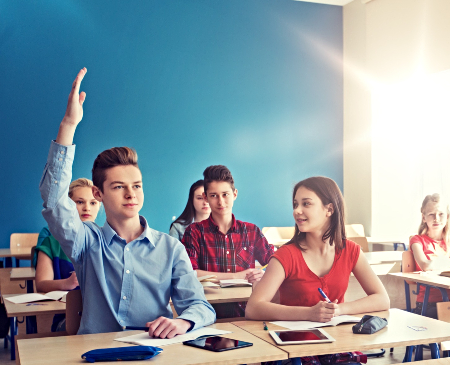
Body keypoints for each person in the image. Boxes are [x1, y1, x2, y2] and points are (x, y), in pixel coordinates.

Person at [40, 68, 215, 337]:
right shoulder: (86, 242)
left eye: (136, 186)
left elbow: (199, 306)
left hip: (154, 351)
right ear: (99, 194)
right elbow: (54, 202)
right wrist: (69, 126)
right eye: (119, 187)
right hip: (97, 353)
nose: (131, 194)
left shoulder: (170, 248)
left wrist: (183, 322)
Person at [245, 176, 389, 365]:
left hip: (336, 343)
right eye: (295, 204)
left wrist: (339, 310)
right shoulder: (286, 255)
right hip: (294, 347)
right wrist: (309, 313)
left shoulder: (351, 250)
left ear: (329, 209)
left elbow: (382, 298)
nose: (297, 211)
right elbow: (253, 308)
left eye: (306, 204)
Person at [182, 165, 274, 318]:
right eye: (214, 195)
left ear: (234, 194)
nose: (221, 201)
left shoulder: (251, 231)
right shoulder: (194, 232)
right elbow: (190, 273)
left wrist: (261, 275)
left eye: (225, 194)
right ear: (205, 197)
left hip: (246, 314)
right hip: (207, 315)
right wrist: (238, 276)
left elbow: (275, 263)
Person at [34, 178, 99, 332]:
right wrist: (67, 283)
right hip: (68, 319)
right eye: (80, 202)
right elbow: (41, 283)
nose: (87, 208)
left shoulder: (107, 240)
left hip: (103, 319)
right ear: (68, 206)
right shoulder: (51, 242)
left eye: (93, 203)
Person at [409, 193, 450, 319]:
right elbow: (426, 265)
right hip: (427, 304)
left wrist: (439, 264)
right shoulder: (417, 240)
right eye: (431, 214)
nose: (436, 218)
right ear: (424, 217)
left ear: (447, 216)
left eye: (441, 214)